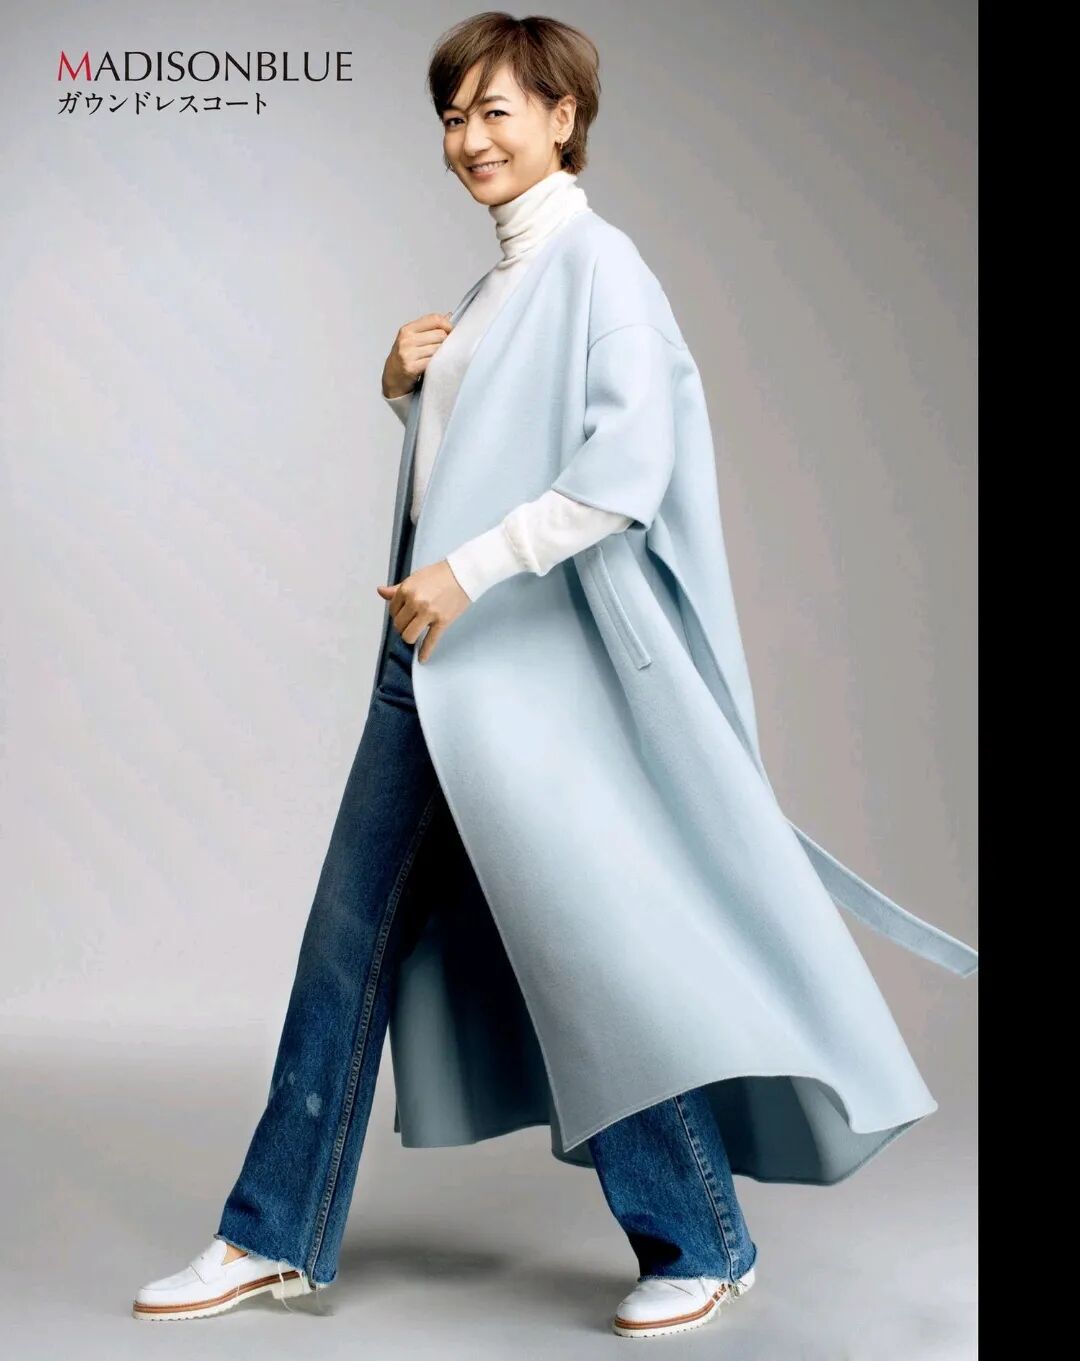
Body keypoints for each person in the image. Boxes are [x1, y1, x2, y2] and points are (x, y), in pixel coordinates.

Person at [132, 12, 976, 1342]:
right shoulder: (496, 290)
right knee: (345, 949)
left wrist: (465, 572)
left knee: (590, 956)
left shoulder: (600, 267)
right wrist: (405, 390)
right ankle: (270, 1232)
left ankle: (703, 1239)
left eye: (497, 112)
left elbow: (623, 472)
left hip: (534, 686)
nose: (471, 140)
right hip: (433, 675)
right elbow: (486, 458)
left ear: (564, 118)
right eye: (453, 117)